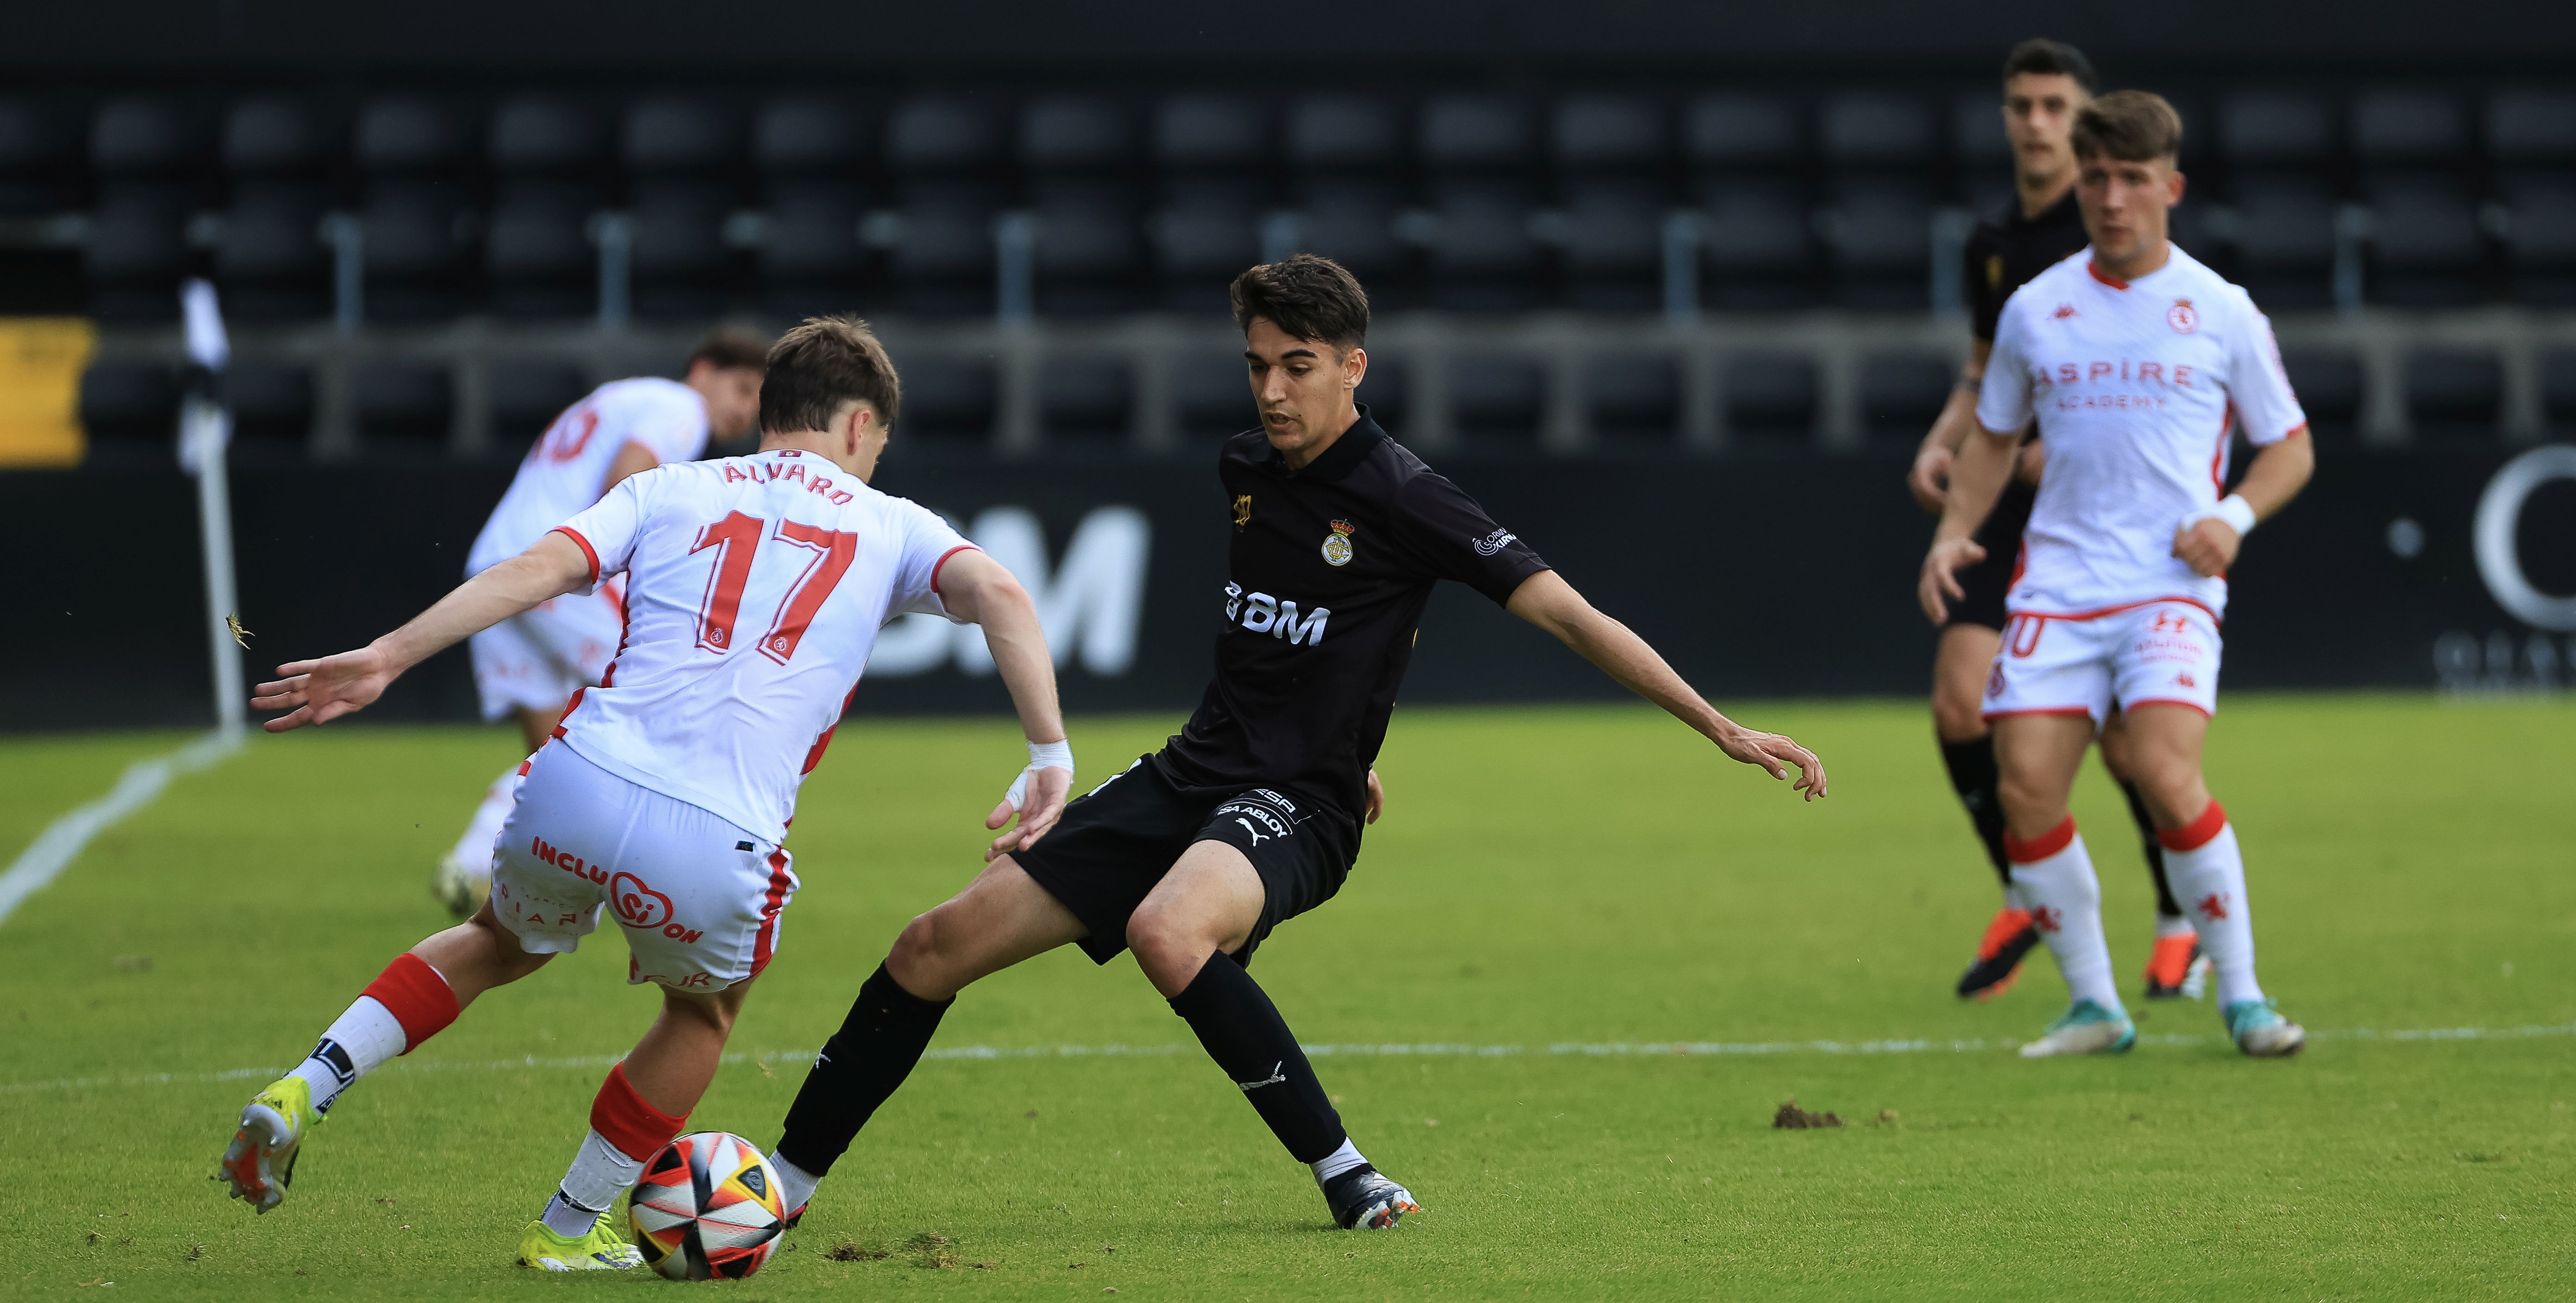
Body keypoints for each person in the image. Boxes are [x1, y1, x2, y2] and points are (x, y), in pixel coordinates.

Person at [756, 255, 1828, 1234]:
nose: (1271, 389)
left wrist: (1718, 725)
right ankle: (776, 1191)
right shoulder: (1244, 468)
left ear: (1353, 367)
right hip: (1192, 772)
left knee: (1166, 931)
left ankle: (1347, 1171)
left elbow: (1570, 615)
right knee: (927, 946)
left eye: (1298, 366)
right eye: (1258, 364)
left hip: (1305, 802)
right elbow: (1299, 642)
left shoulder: (1408, 495)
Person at [216, 318, 1078, 1271]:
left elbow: (533, 570)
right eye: (875, 445)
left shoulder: (670, 487)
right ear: (858, 425)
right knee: (701, 1014)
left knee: (492, 944)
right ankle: (566, 1227)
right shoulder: (895, 525)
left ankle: (307, 1084)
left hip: (578, 779)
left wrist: (386, 656)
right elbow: (1000, 592)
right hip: (717, 832)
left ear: (767, 410)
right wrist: (1048, 750)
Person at [1918, 92, 2314, 1060]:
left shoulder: (2218, 309)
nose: (2109, 198)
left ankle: (2245, 997)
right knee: (2024, 793)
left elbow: (2288, 447)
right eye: (2094, 177)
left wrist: (2229, 516)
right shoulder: (2035, 307)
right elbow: (1991, 437)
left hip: (2168, 583)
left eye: (2130, 179)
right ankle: (2095, 1006)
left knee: (2162, 769)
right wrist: (1950, 535)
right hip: (2055, 584)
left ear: (2167, 187)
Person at [1908, 40, 2201, 1004]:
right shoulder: (1991, 239)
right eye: (2018, 105)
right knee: (1958, 704)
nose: (2033, 122)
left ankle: (2175, 915)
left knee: (2124, 747)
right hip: (2003, 506)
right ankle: (2027, 890)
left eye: (2050, 106)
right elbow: (1980, 368)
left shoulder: (2109, 232)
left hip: (2094, 517)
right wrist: (1942, 439)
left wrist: (2057, 449)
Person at [433, 330, 770, 917]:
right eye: (742, 388)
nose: (743, 410)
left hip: (497, 569)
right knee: (667, 708)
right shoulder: (679, 408)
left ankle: (468, 867)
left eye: (756, 404)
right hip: (557, 573)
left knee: (553, 752)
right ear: (702, 370)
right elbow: (626, 480)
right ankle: (681, 880)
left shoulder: (617, 396)